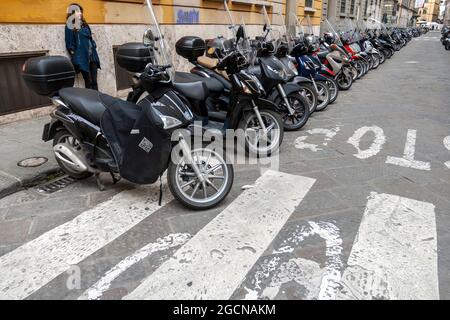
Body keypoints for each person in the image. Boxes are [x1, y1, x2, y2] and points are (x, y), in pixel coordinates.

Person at [65, 3, 101, 90]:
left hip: (92, 56)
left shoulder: (85, 24)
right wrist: (76, 56)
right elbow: (70, 44)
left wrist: (93, 45)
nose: (80, 13)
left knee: (95, 82)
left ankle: (97, 101)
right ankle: (89, 102)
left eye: (80, 11)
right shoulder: (70, 25)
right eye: (77, 11)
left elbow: (91, 38)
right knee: (88, 81)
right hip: (82, 58)